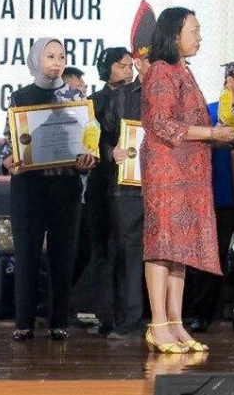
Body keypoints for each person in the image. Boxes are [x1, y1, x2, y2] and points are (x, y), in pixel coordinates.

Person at [140, 7, 234, 353]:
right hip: (167, 171)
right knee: (162, 246)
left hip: (190, 172)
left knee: (180, 250)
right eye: (194, 30)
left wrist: (216, 135)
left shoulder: (184, 71)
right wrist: (211, 132)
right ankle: (158, 324)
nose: (199, 37)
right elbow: (161, 123)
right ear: (174, 33)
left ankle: (175, 322)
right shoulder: (160, 71)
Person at [1, 38, 98, 341]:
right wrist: (9, 160)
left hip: (65, 186)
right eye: (50, 56)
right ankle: (23, 322)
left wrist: (87, 158)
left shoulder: (76, 96)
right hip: (28, 188)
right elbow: (9, 140)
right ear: (36, 60)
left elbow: (87, 139)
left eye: (61, 57)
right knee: (26, 254)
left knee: (63, 256)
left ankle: (59, 321)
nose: (57, 62)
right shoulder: (21, 97)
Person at [186, 60, 234, 333]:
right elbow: (193, 148)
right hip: (218, 193)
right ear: (229, 80)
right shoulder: (211, 111)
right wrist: (215, 140)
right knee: (213, 256)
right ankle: (202, 314)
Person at [103, 2, 156, 339]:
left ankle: (163, 319)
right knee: (128, 253)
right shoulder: (119, 97)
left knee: (164, 256)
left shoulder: (174, 93)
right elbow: (100, 138)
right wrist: (111, 152)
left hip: (164, 186)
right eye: (151, 60)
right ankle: (129, 319)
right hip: (127, 188)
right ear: (137, 61)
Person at [80, 47, 133, 335]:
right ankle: (105, 313)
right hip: (102, 183)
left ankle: (128, 313)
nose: (129, 70)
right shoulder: (94, 102)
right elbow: (89, 140)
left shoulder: (138, 98)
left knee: (127, 249)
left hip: (131, 184)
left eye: (131, 66)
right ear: (107, 68)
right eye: (122, 65)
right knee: (103, 249)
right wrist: (108, 152)